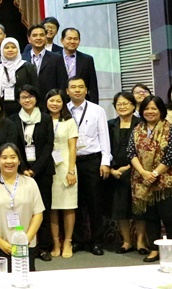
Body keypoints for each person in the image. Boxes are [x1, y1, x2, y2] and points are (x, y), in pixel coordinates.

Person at [9, 85, 56, 262]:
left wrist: (35, 169)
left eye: (30, 97)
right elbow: (15, 145)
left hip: (42, 171)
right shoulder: (14, 119)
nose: (26, 100)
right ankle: (26, 244)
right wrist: (24, 168)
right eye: (23, 97)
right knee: (24, 209)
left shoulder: (45, 118)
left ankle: (43, 247)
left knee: (42, 209)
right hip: (21, 171)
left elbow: (49, 146)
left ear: (36, 98)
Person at [0, 143, 45, 271]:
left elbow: (38, 214)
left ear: (19, 160)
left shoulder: (30, 183)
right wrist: (0, 242)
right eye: (4, 158)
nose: (9, 161)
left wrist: (25, 240)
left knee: (24, 280)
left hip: (26, 245)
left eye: (13, 157)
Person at [67, 77, 111, 256]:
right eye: (73, 87)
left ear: (86, 90)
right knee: (73, 202)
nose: (77, 90)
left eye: (80, 87)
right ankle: (77, 240)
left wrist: (105, 161)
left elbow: (104, 135)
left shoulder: (97, 110)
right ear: (67, 90)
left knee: (94, 203)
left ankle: (96, 241)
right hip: (70, 161)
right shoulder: (63, 109)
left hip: (92, 160)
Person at [129, 96, 172, 263]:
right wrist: (143, 173)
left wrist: (153, 173)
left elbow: (170, 156)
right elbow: (131, 153)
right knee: (151, 218)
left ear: (161, 110)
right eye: (147, 109)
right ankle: (154, 250)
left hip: (165, 181)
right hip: (142, 181)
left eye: (154, 108)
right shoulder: (137, 129)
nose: (150, 112)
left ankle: (170, 250)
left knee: (169, 218)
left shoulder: (169, 129)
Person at [108, 92, 147, 255]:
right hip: (115, 172)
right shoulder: (110, 124)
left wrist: (129, 168)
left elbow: (145, 150)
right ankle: (126, 242)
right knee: (120, 209)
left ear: (133, 106)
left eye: (126, 104)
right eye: (119, 104)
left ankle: (140, 242)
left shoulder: (141, 124)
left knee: (138, 209)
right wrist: (111, 169)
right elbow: (104, 147)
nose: (122, 107)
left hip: (137, 171)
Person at [45, 89, 79, 259]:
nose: (54, 104)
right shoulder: (42, 119)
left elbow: (73, 147)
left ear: (63, 102)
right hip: (48, 165)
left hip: (65, 164)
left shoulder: (69, 121)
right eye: (51, 100)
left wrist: (71, 170)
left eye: (58, 101)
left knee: (68, 206)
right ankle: (56, 242)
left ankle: (68, 241)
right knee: (52, 206)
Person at [21, 25, 68, 102]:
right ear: (29, 39)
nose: (38, 38)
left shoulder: (57, 58)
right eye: (35, 35)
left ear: (46, 38)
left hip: (50, 103)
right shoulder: (22, 59)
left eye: (42, 35)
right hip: (27, 102)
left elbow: (62, 83)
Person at [0, 38, 39, 116]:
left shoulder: (28, 67)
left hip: (24, 108)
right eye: (6, 47)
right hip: (3, 110)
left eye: (13, 47)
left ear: (18, 49)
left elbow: (35, 89)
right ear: (1, 50)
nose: (10, 50)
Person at [61, 28, 99, 103]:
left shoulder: (87, 60)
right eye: (69, 38)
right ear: (62, 40)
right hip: (60, 102)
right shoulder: (54, 58)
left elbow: (93, 86)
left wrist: (94, 105)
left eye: (75, 39)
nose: (72, 41)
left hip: (82, 101)